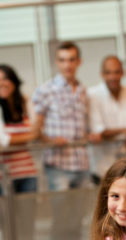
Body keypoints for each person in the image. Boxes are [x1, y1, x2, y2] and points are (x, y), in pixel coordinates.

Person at [32, 41, 93, 190]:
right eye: (62, 60)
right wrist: (51, 140)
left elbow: (85, 125)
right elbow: (35, 131)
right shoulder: (45, 90)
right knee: (62, 211)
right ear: (57, 62)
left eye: (71, 60)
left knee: (84, 211)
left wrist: (90, 136)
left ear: (79, 62)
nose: (67, 65)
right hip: (58, 163)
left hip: (81, 162)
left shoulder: (83, 91)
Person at [88, 55, 126, 177]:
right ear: (102, 74)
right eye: (108, 73)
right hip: (103, 168)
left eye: (116, 72)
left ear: (122, 73)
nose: (113, 77)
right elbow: (99, 130)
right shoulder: (93, 95)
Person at [0, 64, 38, 195]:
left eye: (4, 79)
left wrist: (30, 136)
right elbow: (3, 140)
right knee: (6, 215)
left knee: (27, 214)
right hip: (2, 174)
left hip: (26, 170)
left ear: (14, 80)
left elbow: (37, 129)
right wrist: (30, 137)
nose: (0, 83)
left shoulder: (25, 102)